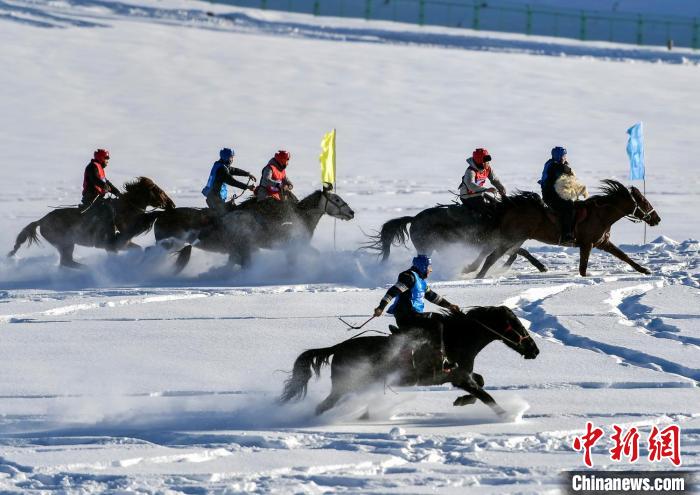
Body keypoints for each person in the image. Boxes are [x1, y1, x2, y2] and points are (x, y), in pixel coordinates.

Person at [373, 255, 460, 370]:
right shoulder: (409, 277)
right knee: (437, 322)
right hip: (406, 316)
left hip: (414, 316)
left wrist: (449, 306)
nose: (430, 270)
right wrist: (381, 307)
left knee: (437, 321)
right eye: (429, 266)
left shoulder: (421, 281)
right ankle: (439, 359)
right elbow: (393, 291)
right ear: (422, 266)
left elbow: (433, 296)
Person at [538, 146, 587, 244]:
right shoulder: (555, 166)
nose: (565, 157)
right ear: (559, 156)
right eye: (564, 155)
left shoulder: (553, 164)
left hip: (556, 194)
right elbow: (564, 180)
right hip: (551, 196)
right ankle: (566, 235)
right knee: (568, 206)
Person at [80, 148, 122, 247]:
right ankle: (111, 239)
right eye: (106, 158)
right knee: (108, 210)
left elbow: (106, 182)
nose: (108, 160)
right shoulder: (92, 167)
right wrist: (104, 186)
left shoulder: (99, 168)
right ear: (101, 158)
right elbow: (94, 179)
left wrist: (117, 192)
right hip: (91, 198)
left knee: (114, 206)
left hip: (99, 198)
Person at [201, 148, 256, 217]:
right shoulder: (222, 170)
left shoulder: (220, 165)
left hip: (214, 197)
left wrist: (247, 174)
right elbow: (232, 181)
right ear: (226, 157)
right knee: (224, 218)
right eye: (231, 157)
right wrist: (247, 187)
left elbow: (234, 170)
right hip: (215, 198)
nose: (232, 159)